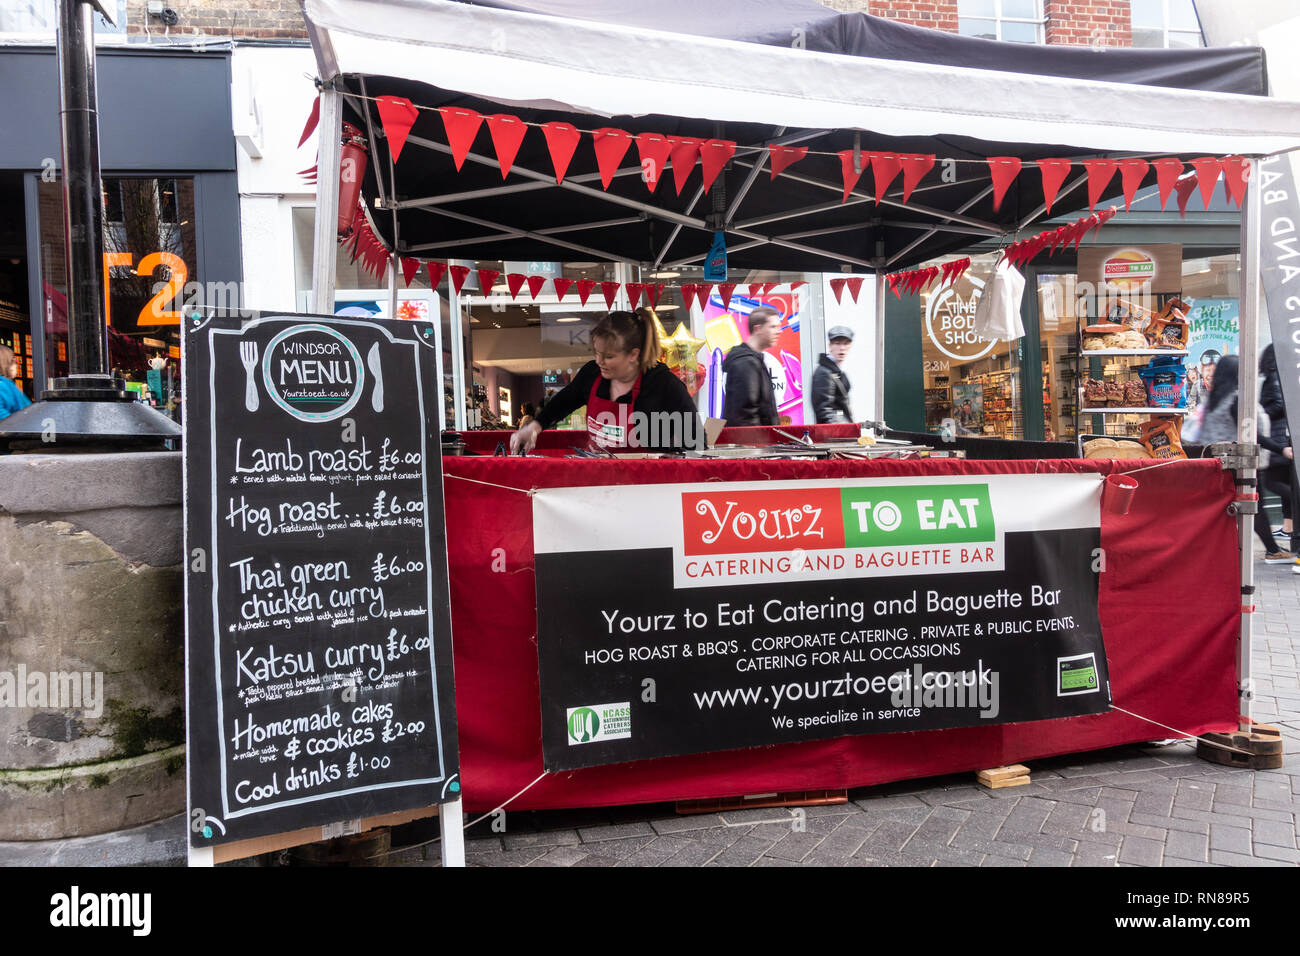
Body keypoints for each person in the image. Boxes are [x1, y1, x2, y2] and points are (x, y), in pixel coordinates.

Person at [510, 308, 702, 453]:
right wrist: (534, 427)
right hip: (599, 479)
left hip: (647, 484)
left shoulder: (664, 384)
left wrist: (670, 456)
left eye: (609, 356)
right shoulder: (591, 374)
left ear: (633, 354)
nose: (599, 361)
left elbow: (697, 440)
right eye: (597, 353)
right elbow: (562, 403)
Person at [1197, 354, 1292, 564]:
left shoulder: (1214, 399)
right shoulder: (1236, 400)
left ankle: (1270, 549)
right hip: (1239, 462)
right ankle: (1273, 550)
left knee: (1235, 508)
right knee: (1253, 505)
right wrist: (1281, 449)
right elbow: (1252, 435)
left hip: (1217, 463)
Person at [1258, 345, 1297, 560]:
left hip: (1275, 438)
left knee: (1273, 483)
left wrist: (1261, 413)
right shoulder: (1281, 376)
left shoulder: (1273, 378)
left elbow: (1280, 405)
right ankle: (1289, 528)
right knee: (1283, 485)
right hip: (1280, 438)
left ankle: (1289, 530)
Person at [721, 306, 779, 426]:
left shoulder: (752, 360)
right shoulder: (746, 363)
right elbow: (746, 416)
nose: (778, 331)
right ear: (758, 329)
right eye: (773, 327)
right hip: (753, 437)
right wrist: (763, 437)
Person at [812, 325, 854, 424]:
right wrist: (843, 428)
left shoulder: (836, 371)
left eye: (846, 343)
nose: (842, 348)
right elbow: (824, 411)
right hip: (834, 431)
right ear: (830, 345)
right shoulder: (824, 372)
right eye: (837, 343)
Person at [0, 345, 31, 421]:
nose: (17, 365)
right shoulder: (3, 386)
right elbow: (3, 418)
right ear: (5, 363)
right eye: (14, 361)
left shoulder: (8, 385)